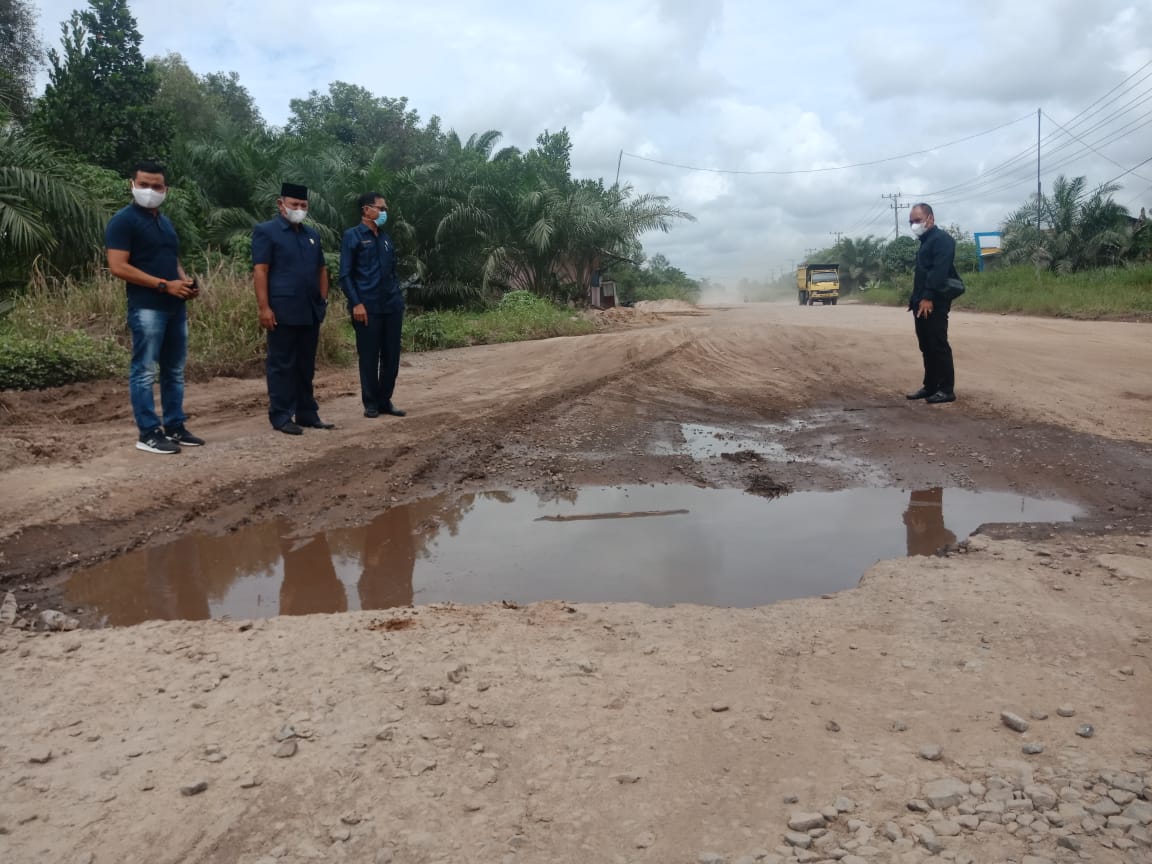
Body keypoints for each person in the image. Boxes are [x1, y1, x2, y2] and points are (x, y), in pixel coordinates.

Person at [105, 160, 205, 454]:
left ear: (165, 189)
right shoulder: (123, 221)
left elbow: (172, 259)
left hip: (175, 306)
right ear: (132, 185)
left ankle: (175, 427)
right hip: (147, 307)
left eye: (156, 186)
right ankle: (148, 433)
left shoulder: (165, 222)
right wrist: (164, 285)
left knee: (174, 370)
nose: (150, 191)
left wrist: (184, 283)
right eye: (144, 185)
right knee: (145, 371)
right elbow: (118, 266)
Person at [252, 182, 333, 435]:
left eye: (303, 205)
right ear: (281, 204)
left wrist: (322, 301)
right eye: (294, 204)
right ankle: (281, 415)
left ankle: (307, 412)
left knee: (305, 365)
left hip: (309, 310)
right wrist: (264, 307)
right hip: (282, 310)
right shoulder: (267, 231)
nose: (299, 209)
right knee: (281, 365)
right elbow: (261, 270)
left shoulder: (312, 235)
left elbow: (322, 270)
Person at [339, 192, 406, 418]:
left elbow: (393, 272)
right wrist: (356, 303)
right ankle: (371, 403)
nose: (385, 212)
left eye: (385, 209)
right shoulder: (353, 236)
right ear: (366, 210)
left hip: (391, 306)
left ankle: (385, 400)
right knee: (369, 357)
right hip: (367, 308)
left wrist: (398, 298)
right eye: (381, 208)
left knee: (391, 356)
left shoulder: (385, 238)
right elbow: (345, 275)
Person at [905, 202, 958, 404]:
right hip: (921, 303)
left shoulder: (942, 240)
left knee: (938, 344)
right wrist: (915, 299)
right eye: (911, 221)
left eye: (917, 220)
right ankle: (930, 386)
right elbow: (923, 274)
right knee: (926, 345)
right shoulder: (925, 241)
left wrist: (927, 297)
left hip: (934, 302)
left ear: (930, 218)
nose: (914, 224)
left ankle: (946, 389)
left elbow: (938, 272)